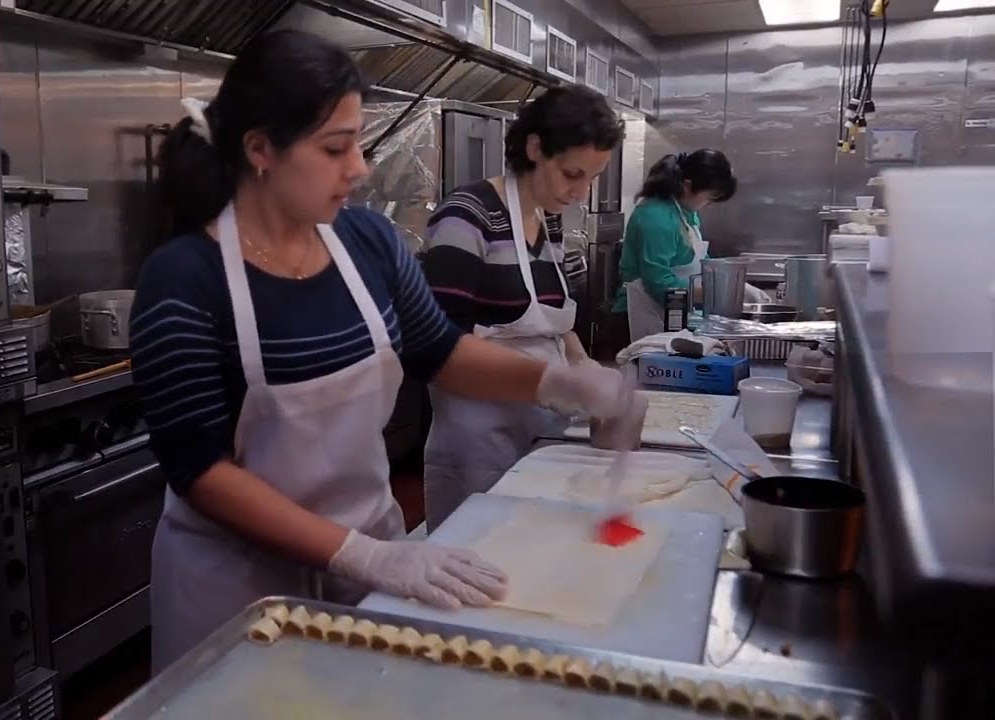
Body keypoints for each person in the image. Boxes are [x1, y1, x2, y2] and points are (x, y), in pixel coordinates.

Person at [128, 29, 644, 671]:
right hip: (238, 590)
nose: (360, 167)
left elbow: (443, 352)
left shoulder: (368, 242)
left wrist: (564, 384)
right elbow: (200, 472)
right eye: (335, 148)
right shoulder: (184, 279)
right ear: (260, 150)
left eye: (360, 143)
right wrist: (363, 554)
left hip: (371, 563)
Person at [419, 85, 625, 531]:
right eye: (573, 174)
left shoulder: (548, 221)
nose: (581, 192)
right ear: (535, 148)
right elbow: (438, 348)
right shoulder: (466, 217)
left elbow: (552, 321)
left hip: (541, 428)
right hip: (479, 439)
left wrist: (583, 365)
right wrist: (554, 382)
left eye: (592, 178)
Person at [610, 149, 768, 342]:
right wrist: (714, 292)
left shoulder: (685, 213)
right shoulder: (656, 217)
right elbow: (658, 282)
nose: (709, 204)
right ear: (687, 186)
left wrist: (731, 282)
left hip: (671, 313)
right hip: (637, 316)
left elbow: (701, 261)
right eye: (709, 198)